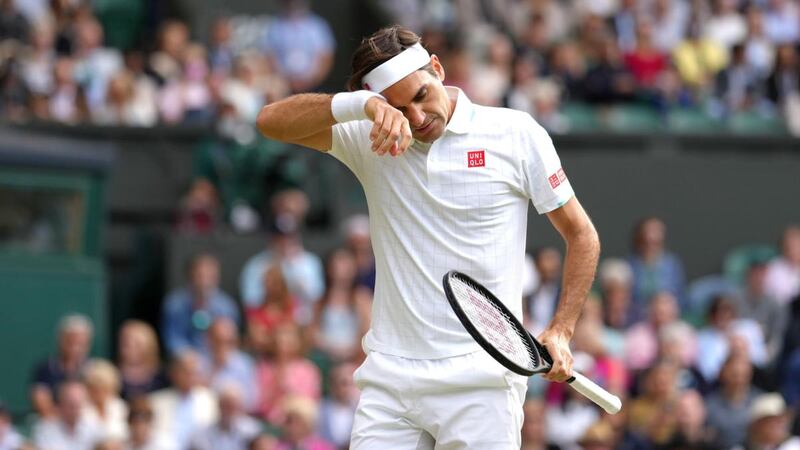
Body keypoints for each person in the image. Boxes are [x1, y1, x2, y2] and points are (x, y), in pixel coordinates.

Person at [256, 25, 600, 448]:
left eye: (421, 96)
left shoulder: (516, 133)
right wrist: (361, 106)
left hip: (483, 381)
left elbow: (581, 234)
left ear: (437, 69)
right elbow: (269, 122)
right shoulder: (370, 136)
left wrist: (562, 329)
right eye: (399, 108)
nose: (417, 119)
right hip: (390, 380)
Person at [161, 253, 240, 356]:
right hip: (186, 360)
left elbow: (230, 340)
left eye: (210, 276)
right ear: (190, 275)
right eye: (200, 275)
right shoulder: (174, 304)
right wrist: (185, 355)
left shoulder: (227, 306)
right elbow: (172, 337)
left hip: (217, 357)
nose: (204, 281)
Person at [148, 350, 219, 450]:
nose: (190, 376)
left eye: (194, 372)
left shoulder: (209, 399)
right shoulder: (156, 402)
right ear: (174, 373)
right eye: (186, 372)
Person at [30, 314, 94, 418]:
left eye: (79, 342)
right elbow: (41, 401)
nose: (74, 346)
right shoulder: (45, 369)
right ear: (60, 340)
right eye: (70, 341)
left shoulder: (94, 369)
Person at [32, 381, 104, 450]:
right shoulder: (44, 430)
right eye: (71, 405)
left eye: (79, 405)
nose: (76, 410)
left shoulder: (94, 426)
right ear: (60, 405)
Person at [116, 320, 169, 401]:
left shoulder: (163, 376)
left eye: (137, 344)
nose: (131, 348)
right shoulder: (113, 374)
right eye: (126, 343)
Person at [82, 359, 128, 441]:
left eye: (104, 388)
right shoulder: (81, 408)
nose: (100, 392)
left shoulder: (119, 407)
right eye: (95, 388)